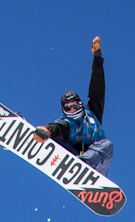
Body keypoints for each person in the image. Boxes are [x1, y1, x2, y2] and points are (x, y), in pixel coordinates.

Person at [34, 37, 113, 172]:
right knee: (53, 140)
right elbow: (56, 128)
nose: (72, 110)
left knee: (107, 145)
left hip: (97, 163)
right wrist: (47, 131)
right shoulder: (67, 124)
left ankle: (84, 165)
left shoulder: (93, 112)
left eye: (75, 106)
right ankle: (27, 141)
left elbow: (97, 87)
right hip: (72, 158)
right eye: (67, 108)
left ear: (81, 105)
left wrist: (97, 59)